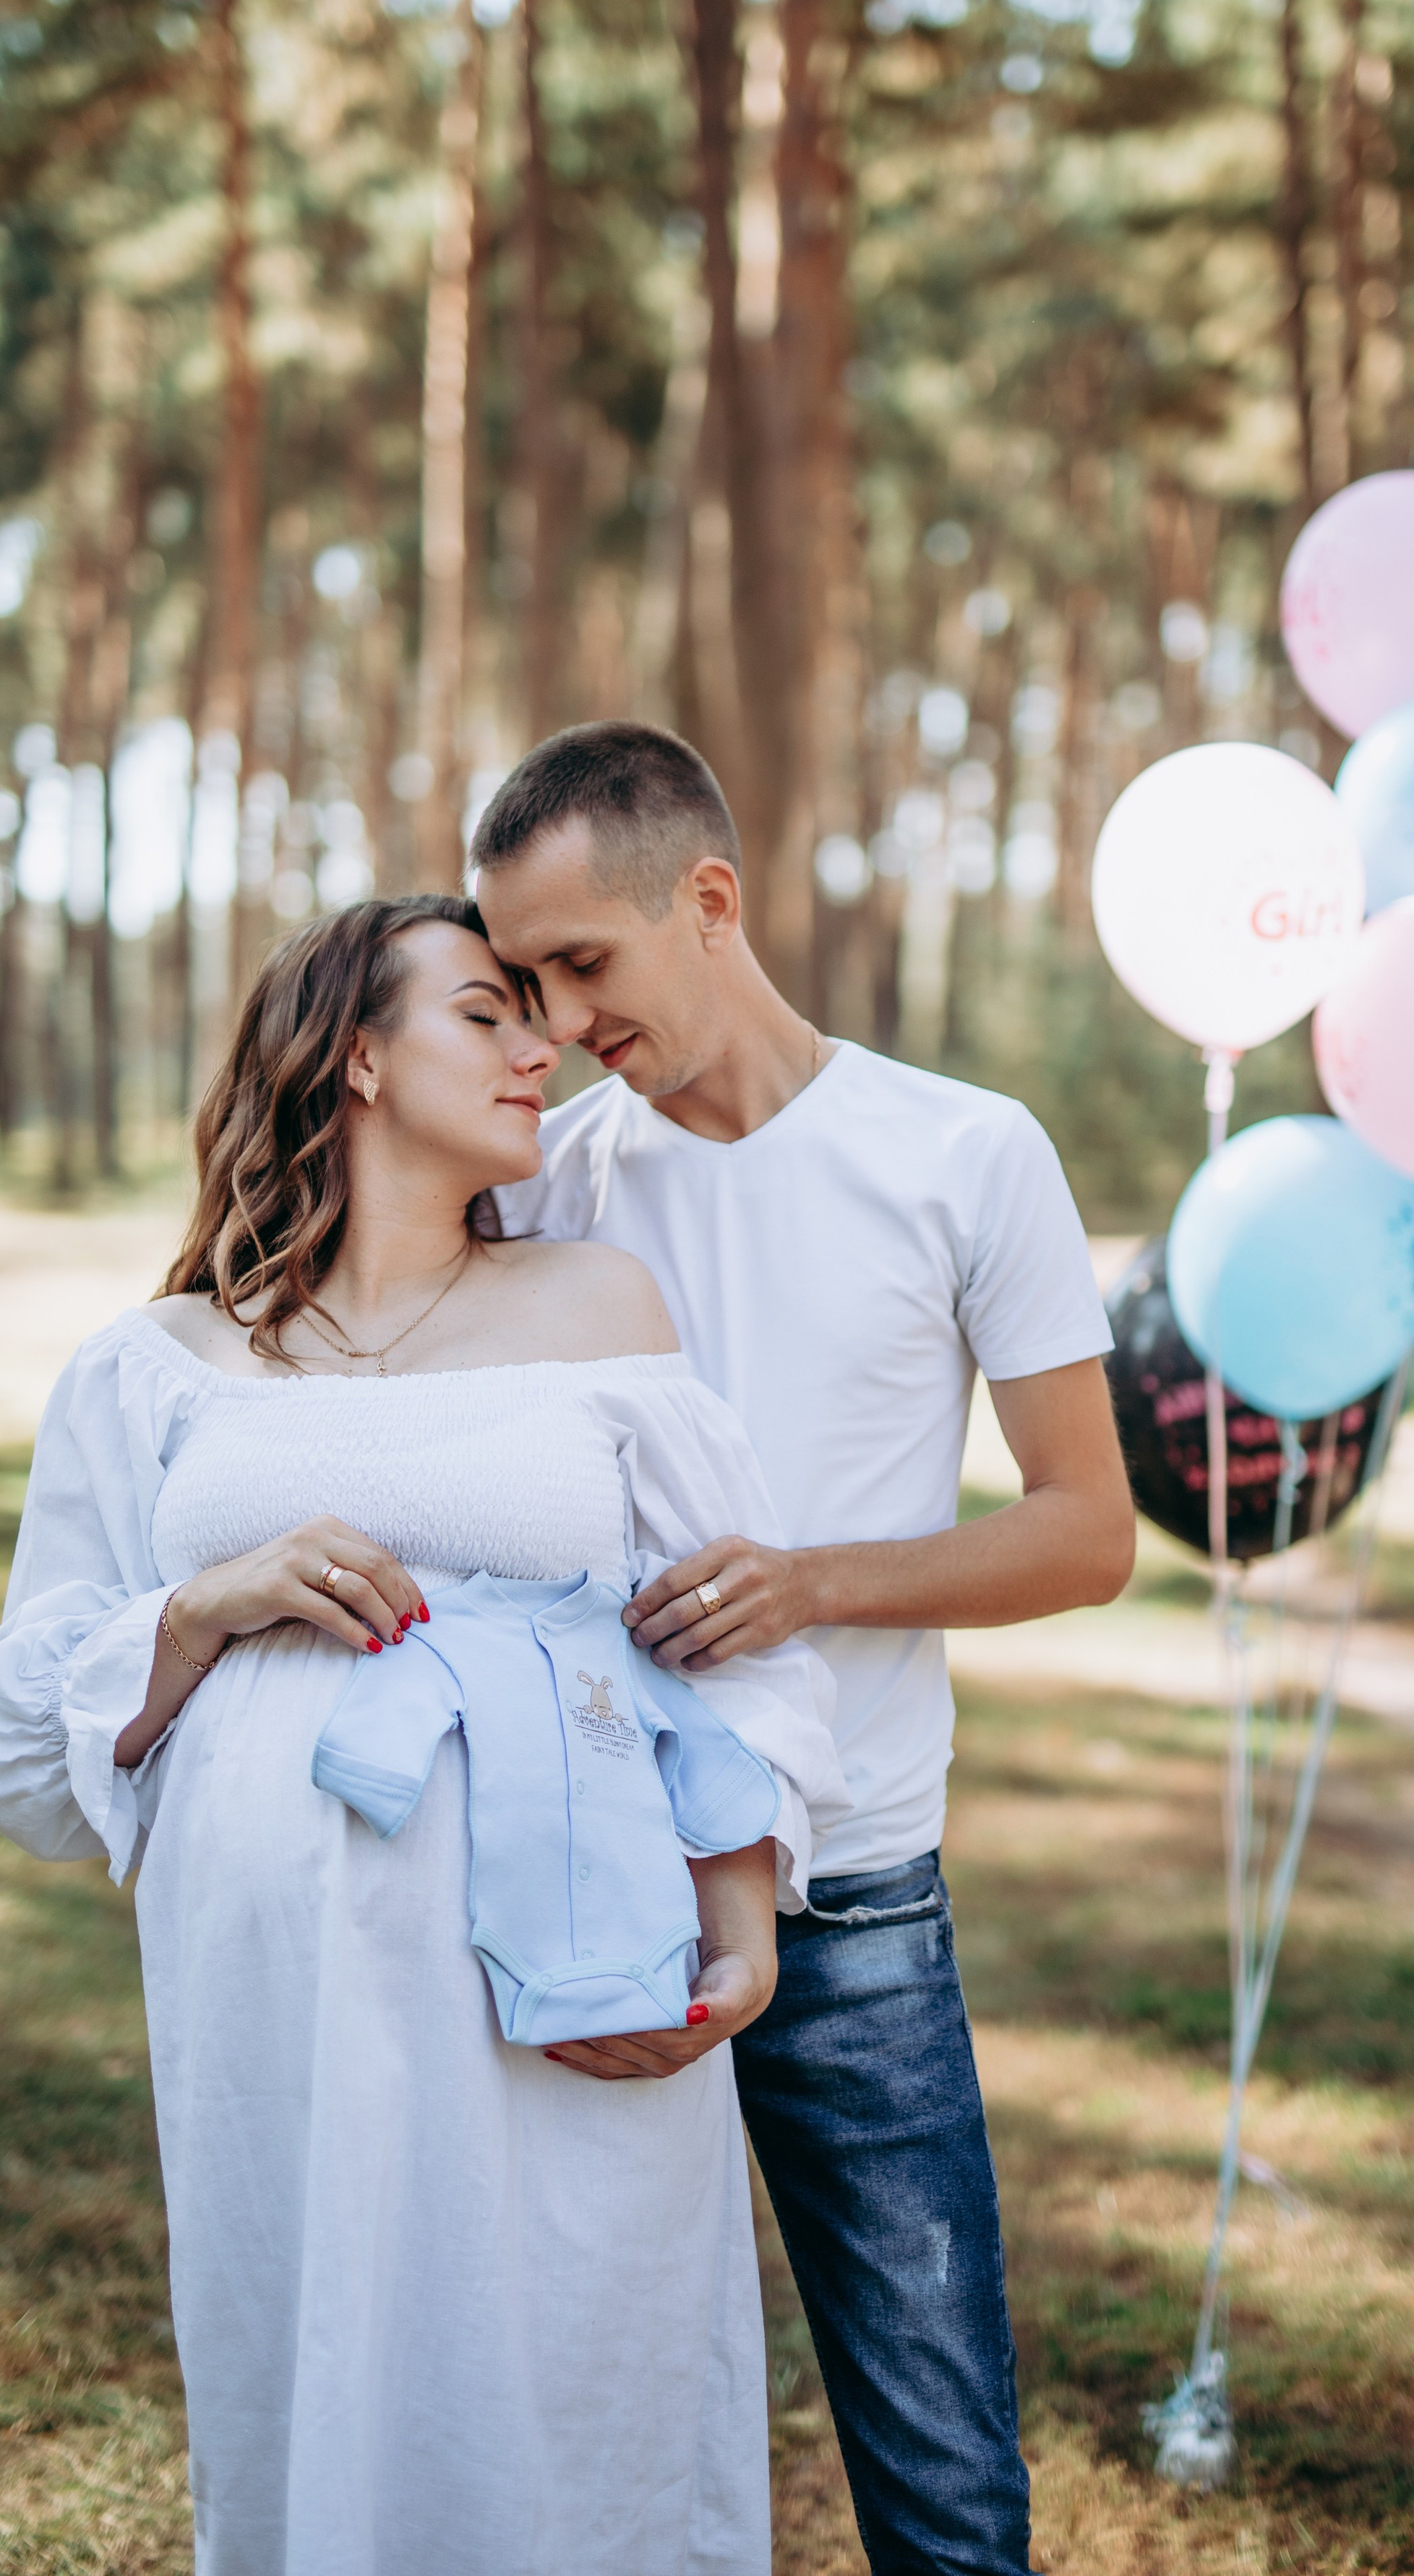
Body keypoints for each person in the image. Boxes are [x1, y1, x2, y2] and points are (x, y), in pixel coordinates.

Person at [0, 894, 848, 2576]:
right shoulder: (160, 1366)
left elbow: (718, 1634)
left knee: (578, 2357)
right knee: (322, 2363)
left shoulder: (599, 1309)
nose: (543, 1048)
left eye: (540, 1014)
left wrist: (743, 1908)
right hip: (273, 2001)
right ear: (355, 1057)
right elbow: (17, 1744)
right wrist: (207, 1602)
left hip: (572, 1967)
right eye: (484, 1014)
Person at [471, 724, 1137, 2575]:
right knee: (567, 2444)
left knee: (938, 2472)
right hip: (574, 1893)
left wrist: (810, 1585)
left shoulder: (963, 1153)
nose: (554, 1021)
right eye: (518, 982)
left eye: (579, 966)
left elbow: (1087, 1531)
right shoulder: (542, 1186)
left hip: (854, 1914)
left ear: (709, 900)